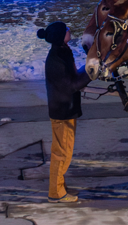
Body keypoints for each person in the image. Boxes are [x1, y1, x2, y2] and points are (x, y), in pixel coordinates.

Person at [39, 21, 92, 203]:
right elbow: (71, 85)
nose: (70, 30)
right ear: (61, 36)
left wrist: (87, 69)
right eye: (67, 29)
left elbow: (72, 77)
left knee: (63, 151)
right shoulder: (56, 58)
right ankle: (56, 193)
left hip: (65, 109)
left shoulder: (62, 51)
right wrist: (91, 75)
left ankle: (59, 186)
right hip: (62, 111)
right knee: (62, 153)